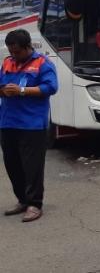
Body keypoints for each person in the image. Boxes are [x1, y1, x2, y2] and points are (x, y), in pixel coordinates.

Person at [0, 29, 59, 223]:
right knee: (12, 164)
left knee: (32, 167)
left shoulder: (42, 63)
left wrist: (22, 90)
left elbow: (51, 87)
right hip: (8, 122)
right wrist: (4, 91)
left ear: (28, 47)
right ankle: (22, 200)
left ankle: (35, 204)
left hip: (32, 124)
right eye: (11, 51)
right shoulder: (8, 62)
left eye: (17, 51)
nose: (14, 55)